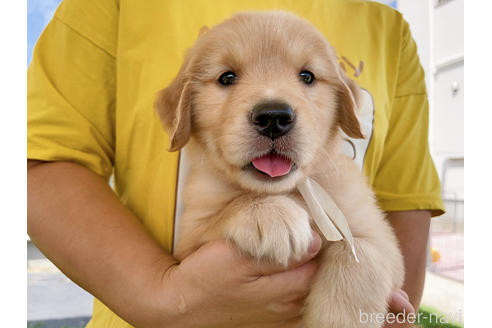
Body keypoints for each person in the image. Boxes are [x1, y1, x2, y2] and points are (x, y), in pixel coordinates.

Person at [27, 0, 444, 327]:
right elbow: (35, 163)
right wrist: (167, 300)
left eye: (307, 76)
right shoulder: (117, 5)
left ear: (346, 106)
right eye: (227, 78)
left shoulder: (387, 30)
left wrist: (361, 289)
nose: (274, 111)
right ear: (182, 107)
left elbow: (396, 227)